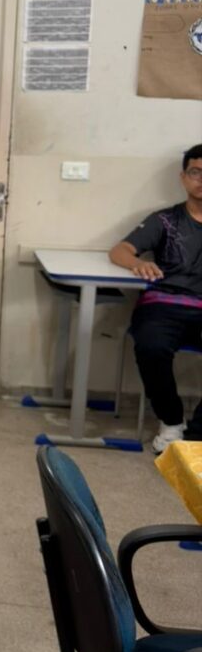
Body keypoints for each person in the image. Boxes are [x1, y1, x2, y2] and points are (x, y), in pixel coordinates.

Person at [109, 142, 202, 454]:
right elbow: (120, 250)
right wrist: (139, 263)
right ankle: (172, 422)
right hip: (165, 305)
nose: (201, 180)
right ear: (183, 177)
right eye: (196, 172)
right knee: (150, 346)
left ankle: (198, 432)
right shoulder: (165, 220)